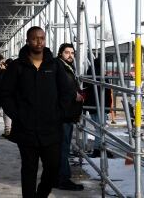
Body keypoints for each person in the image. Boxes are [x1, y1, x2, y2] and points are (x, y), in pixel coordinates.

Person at [0, 26, 73, 198]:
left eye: (42, 38)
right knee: (29, 170)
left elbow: (67, 91)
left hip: (51, 128)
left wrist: (59, 113)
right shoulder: (17, 66)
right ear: (27, 41)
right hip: (26, 129)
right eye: (35, 38)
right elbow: (5, 94)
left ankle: (41, 195)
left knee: (53, 167)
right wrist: (18, 115)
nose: (39, 42)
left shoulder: (54, 65)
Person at [56, 43, 85, 191]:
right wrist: (74, 95)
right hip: (63, 114)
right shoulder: (59, 67)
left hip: (66, 114)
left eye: (72, 53)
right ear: (61, 53)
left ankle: (57, 178)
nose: (70, 55)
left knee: (61, 147)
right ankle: (63, 179)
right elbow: (60, 87)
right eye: (67, 52)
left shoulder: (67, 67)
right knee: (63, 148)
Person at [82, 56, 113, 158]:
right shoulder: (102, 76)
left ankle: (99, 148)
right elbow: (107, 92)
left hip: (92, 106)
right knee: (101, 128)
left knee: (99, 128)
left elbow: (85, 91)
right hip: (101, 105)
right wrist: (108, 106)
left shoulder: (89, 75)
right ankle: (98, 149)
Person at [2, 58, 14, 137]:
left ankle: (7, 131)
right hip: (16, 97)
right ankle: (12, 131)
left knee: (6, 114)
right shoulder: (18, 72)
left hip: (8, 97)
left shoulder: (5, 73)